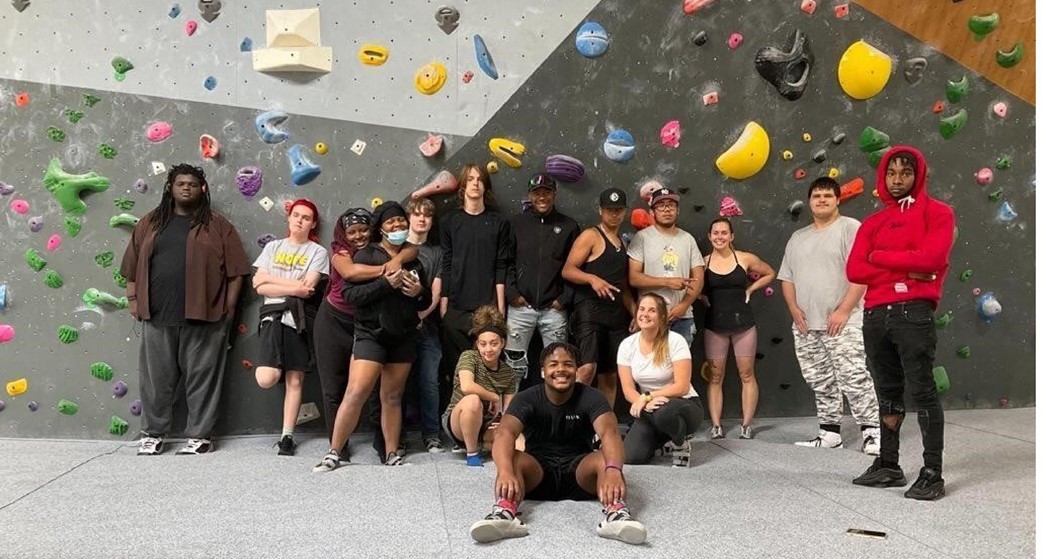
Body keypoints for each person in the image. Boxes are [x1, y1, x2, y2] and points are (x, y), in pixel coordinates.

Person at [846, 146, 955, 500]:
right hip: (876, 314)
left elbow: (934, 259)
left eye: (905, 173)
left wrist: (878, 258)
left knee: (922, 390)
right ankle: (889, 465)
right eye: (891, 173)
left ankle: (932, 472)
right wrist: (908, 266)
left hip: (913, 313)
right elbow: (854, 269)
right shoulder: (873, 222)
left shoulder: (938, 213)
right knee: (887, 392)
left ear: (918, 175)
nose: (897, 180)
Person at [120, 164, 250, 455]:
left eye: (193, 183)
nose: (187, 187)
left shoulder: (217, 225)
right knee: (156, 380)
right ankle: (153, 434)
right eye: (181, 183)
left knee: (202, 378)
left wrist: (227, 310)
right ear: (170, 187)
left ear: (202, 188)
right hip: (156, 316)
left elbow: (237, 272)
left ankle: (200, 435)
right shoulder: (149, 223)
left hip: (206, 317)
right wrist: (133, 301)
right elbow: (130, 267)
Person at [468, 343, 647, 546]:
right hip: (538, 472)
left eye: (568, 364)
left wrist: (614, 470)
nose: (561, 369)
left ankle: (617, 515)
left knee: (604, 459)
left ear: (576, 370)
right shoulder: (526, 398)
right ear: (543, 372)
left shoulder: (592, 397)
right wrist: (505, 471)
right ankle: (504, 513)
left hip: (580, 470)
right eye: (553, 364)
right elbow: (504, 434)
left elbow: (610, 433)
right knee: (512, 459)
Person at [313, 201, 431, 470]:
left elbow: (425, 302)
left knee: (391, 397)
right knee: (356, 392)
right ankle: (334, 452)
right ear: (381, 228)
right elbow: (351, 295)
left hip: (402, 338)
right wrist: (385, 284)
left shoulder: (413, 259)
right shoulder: (366, 255)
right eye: (391, 222)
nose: (397, 226)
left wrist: (418, 294)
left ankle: (392, 454)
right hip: (370, 336)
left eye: (401, 222)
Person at [779, 177, 881, 455]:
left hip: (843, 321)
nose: (821, 200)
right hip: (806, 324)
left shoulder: (850, 229)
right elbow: (786, 278)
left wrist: (844, 310)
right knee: (819, 378)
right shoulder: (798, 238)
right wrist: (794, 310)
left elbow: (862, 274)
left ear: (837, 200)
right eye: (816, 196)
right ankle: (829, 432)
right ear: (810, 201)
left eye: (827, 195)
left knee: (853, 375)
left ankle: (872, 431)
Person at [252, 199, 329, 456]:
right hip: (271, 319)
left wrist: (274, 282)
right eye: (296, 215)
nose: (299, 220)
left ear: (313, 223)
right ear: (288, 218)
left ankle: (287, 436)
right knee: (267, 378)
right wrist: (292, 287)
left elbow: (307, 289)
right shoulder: (273, 247)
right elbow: (258, 285)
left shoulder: (317, 252)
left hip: (299, 320)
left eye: (306, 217)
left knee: (295, 380)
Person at [701, 217, 775, 440]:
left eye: (724, 233)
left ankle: (746, 425)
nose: (720, 236)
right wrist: (702, 297)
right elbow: (693, 285)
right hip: (715, 325)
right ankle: (716, 425)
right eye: (715, 233)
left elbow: (770, 273)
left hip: (744, 324)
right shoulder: (703, 263)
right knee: (715, 377)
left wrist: (751, 289)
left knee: (746, 373)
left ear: (732, 236)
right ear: (709, 236)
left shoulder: (744, 258)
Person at [563, 188, 636, 406]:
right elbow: (567, 270)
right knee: (586, 369)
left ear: (624, 212)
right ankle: (571, 419)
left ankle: (603, 429)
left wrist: (635, 313)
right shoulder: (591, 235)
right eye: (609, 210)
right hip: (590, 311)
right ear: (600, 211)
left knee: (610, 374)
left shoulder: (622, 243)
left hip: (615, 315)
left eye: (618, 210)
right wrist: (592, 279)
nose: (614, 214)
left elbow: (623, 286)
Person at [505, 172, 580, 381]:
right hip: (520, 308)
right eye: (536, 193)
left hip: (554, 310)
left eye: (546, 192)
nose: (542, 197)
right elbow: (506, 261)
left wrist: (564, 299)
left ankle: (556, 412)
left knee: (559, 368)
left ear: (554, 195)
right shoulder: (517, 224)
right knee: (513, 367)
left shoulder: (569, 226)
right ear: (530, 195)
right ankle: (510, 412)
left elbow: (577, 266)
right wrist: (512, 294)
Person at [617, 293, 703, 467]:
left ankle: (681, 444)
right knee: (632, 457)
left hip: (683, 405)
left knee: (663, 412)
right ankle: (664, 443)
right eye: (641, 309)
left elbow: (682, 387)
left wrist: (648, 396)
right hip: (649, 409)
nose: (644, 314)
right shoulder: (627, 345)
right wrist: (644, 401)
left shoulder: (675, 341)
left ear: (662, 316)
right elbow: (628, 390)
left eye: (652, 310)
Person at [440, 163, 514, 358]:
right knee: (457, 365)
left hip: (486, 306)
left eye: (480, 180)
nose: (475, 184)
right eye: (471, 179)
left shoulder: (499, 222)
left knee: (485, 365)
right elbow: (446, 263)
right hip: (456, 304)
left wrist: (500, 308)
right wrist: (444, 304)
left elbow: (501, 265)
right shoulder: (449, 221)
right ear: (463, 185)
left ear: (486, 186)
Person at [627, 186, 704, 346]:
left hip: (682, 318)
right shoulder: (641, 238)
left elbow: (698, 278)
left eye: (671, 205)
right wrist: (667, 282)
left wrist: (683, 306)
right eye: (661, 206)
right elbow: (634, 278)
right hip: (650, 318)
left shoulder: (688, 239)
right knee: (650, 368)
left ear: (677, 210)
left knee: (680, 369)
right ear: (652, 212)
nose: (666, 210)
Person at [443, 306, 518, 466]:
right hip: (458, 419)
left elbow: (509, 411)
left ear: (502, 343)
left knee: (516, 440)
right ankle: (472, 453)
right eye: (483, 344)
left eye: (493, 343)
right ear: (477, 344)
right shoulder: (469, 357)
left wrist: (504, 429)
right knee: (473, 400)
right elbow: (466, 386)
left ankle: (484, 444)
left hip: (486, 424)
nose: (488, 349)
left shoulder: (508, 372)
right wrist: (493, 397)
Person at [406, 198, 445, 453]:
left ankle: (431, 434)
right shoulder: (395, 247)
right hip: (397, 328)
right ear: (409, 217)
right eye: (417, 214)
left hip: (428, 327)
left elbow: (437, 292)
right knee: (395, 385)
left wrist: (420, 316)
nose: (422, 219)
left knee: (429, 381)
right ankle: (394, 436)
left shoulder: (437, 252)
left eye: (427, 215)